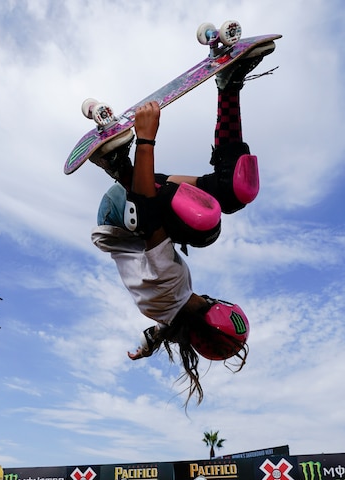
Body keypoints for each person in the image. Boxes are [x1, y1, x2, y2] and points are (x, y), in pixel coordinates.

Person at [90, 42, 276, 406]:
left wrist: (146, 136)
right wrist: (146, 346)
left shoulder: (171, 287)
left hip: (122, 211)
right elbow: (165, 329)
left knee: (205, 223)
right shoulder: (172, 312)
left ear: (214, 302)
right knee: (233, 189)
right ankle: (229, 86)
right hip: (134, 211)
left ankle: (115, 164)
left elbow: (148, 211)